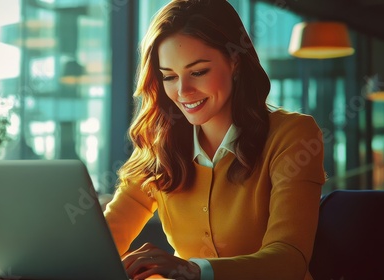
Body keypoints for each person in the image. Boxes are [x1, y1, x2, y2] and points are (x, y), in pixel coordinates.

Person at [103, 0, 326, 279]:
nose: (183, 91)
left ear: (234, 61)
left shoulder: (293, 135)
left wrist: (194, 270)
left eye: (198, 72)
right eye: (169, 77)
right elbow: (104, 241)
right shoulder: (159, 145)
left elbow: (289, 259)